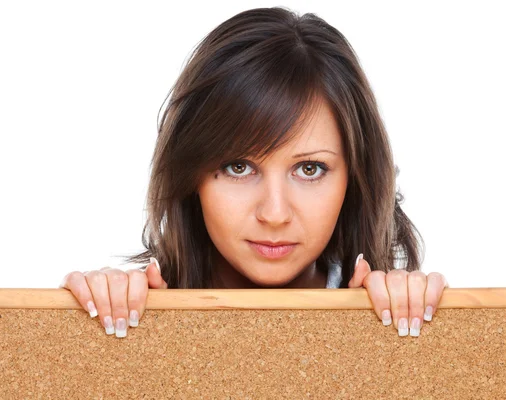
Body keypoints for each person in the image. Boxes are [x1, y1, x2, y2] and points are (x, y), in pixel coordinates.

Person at [59, 6, 448, 339]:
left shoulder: (395, 312)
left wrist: (420, 334)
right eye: (238, 167)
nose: (274, 214)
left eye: (309, 169)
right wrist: (87, 328)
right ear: (190, 172)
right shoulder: (137, 307)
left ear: (355, 178)